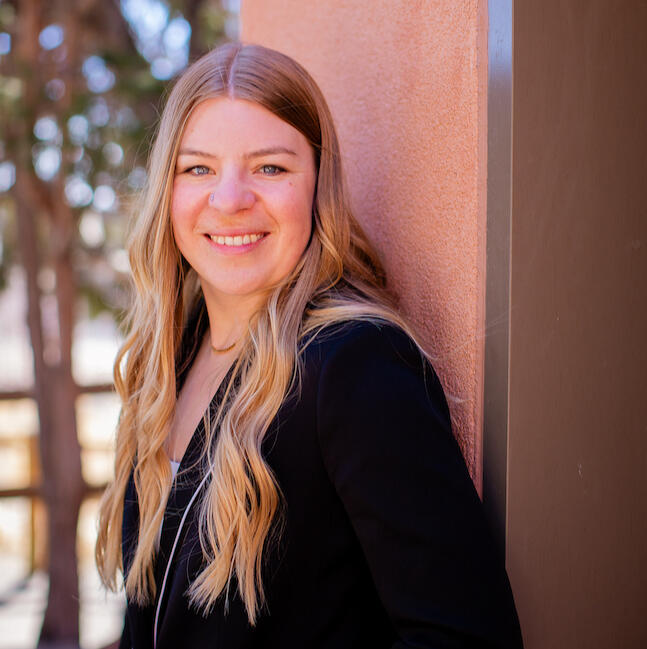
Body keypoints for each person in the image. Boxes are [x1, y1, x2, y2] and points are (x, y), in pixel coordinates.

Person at [96, 42, 523, 649]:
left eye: (270, 167)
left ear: (317, 187)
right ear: (167, 189)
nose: (230, 198)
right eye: (198, 168)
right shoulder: (171, 358)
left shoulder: (353, 365)